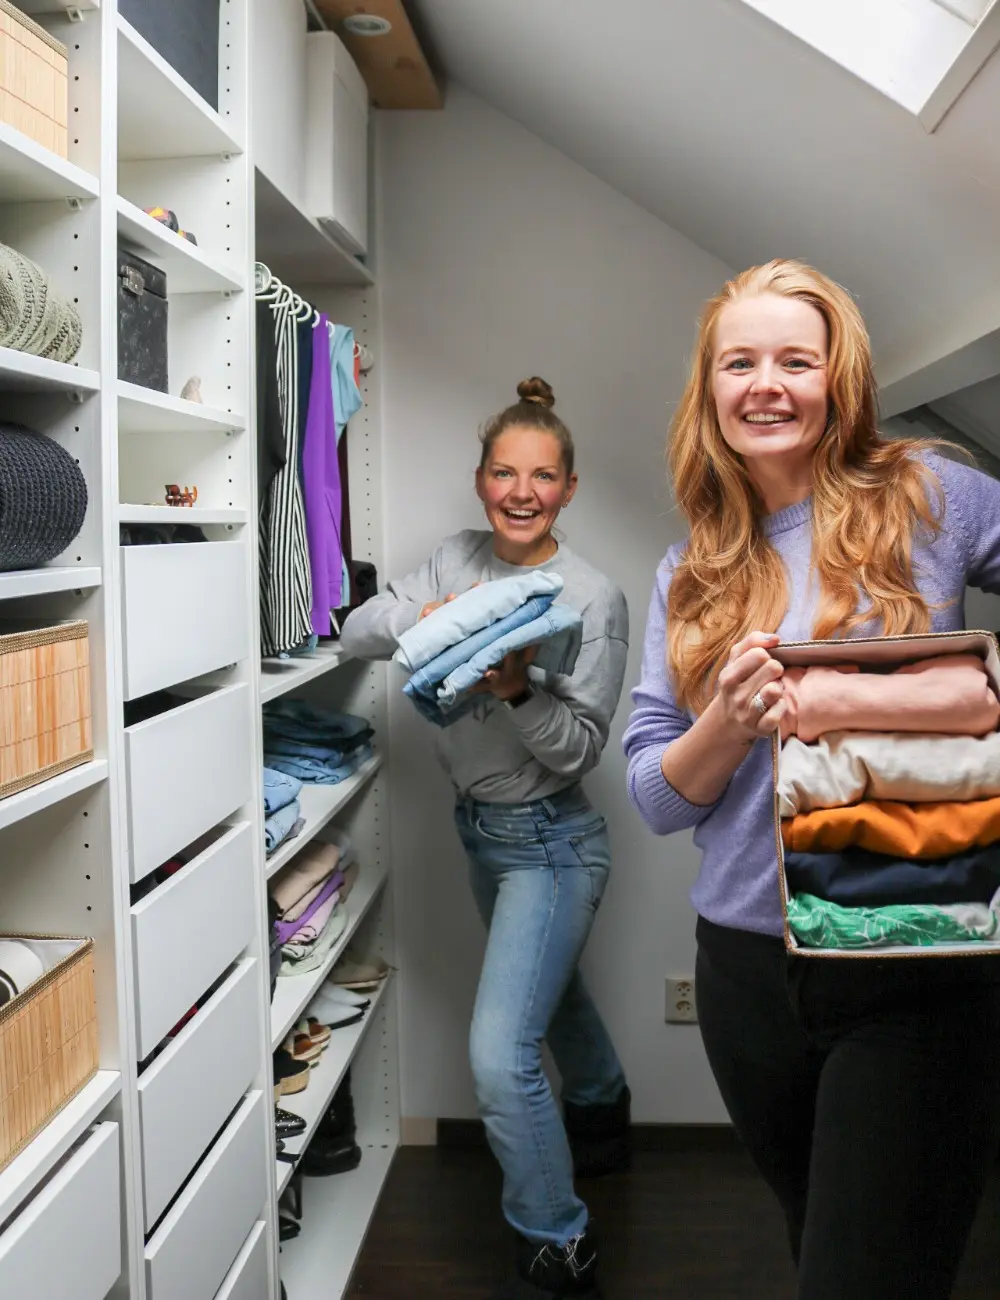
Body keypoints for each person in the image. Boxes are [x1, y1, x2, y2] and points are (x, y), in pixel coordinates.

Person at [624, 259, 1000, 1299]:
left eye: (797, 359)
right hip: (744, 974)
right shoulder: (690, 568)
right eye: (739, 362)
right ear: (708, 392)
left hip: (910, 953)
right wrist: (728, 722)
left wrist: (973, 705)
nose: (767, 384)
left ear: (840, 381)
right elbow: (655, 796)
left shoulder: (929, 495)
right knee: (821, 1242)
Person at [340, 377, 630, 1300]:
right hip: (481, 834)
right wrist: (429, 619)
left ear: (569, 490)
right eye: (504, 472)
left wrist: (514, 686)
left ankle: (558, 1239)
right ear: (480, 481)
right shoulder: (456, 560)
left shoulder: (592, 596)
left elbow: (581, 750)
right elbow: (357, 631)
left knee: (500, 1056)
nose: (521, 491)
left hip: (552, 844)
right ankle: (603, 1112)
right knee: (560, 997)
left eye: (542, 477)